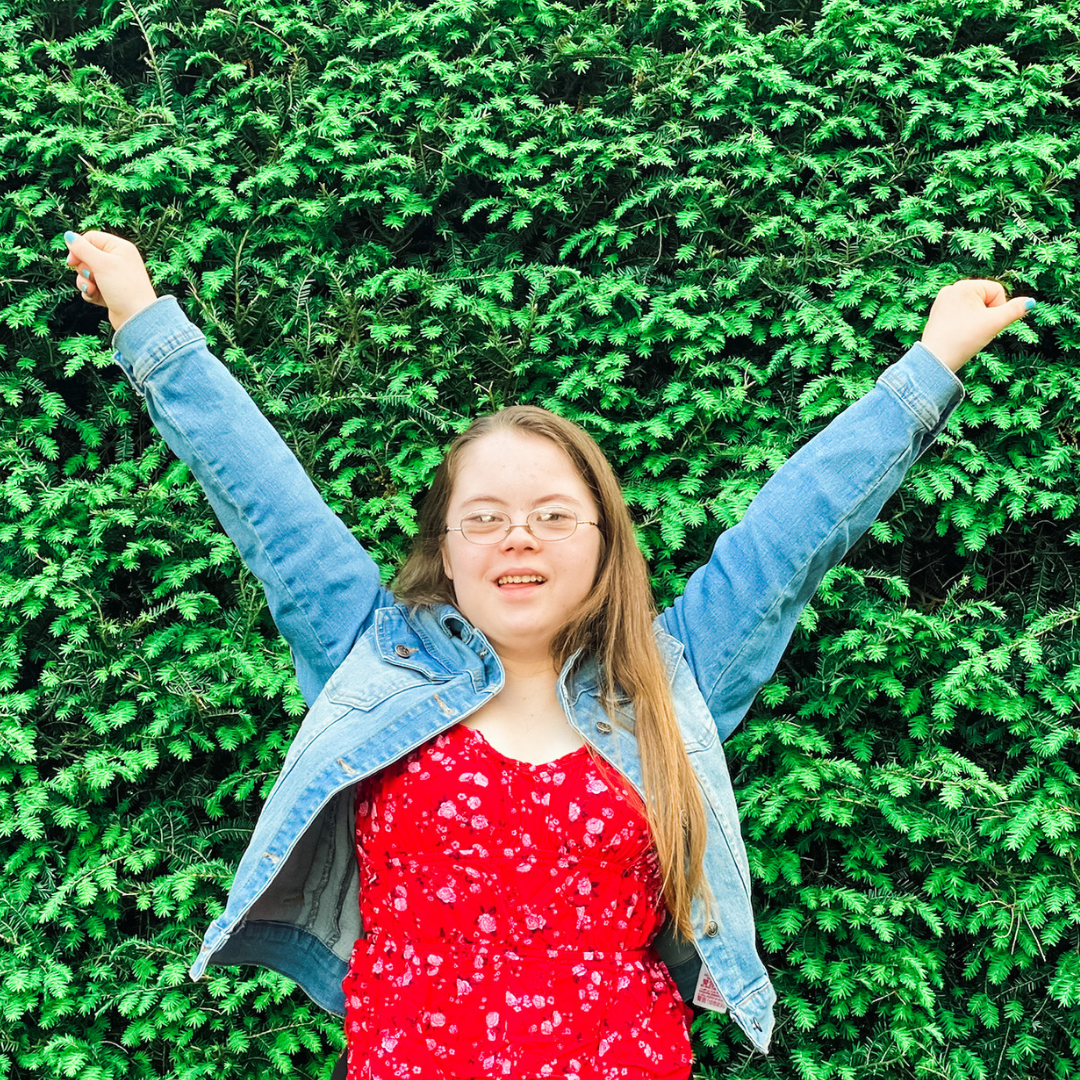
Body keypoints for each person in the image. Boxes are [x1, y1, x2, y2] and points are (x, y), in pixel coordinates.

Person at [63, 229, 1035, 1079]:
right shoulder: (371, 655)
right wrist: (147, 323)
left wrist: (933, 359)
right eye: (483, 518)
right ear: (444, 549)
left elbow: (793, 533)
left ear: (605, 543)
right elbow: (264, 499)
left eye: (552, 516)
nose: (517, 538)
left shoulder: (669, 677)